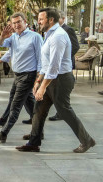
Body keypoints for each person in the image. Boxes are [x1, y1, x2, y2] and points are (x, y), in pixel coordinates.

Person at [16, 8, 96, 153]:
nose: (38, 22)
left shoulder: (58, 36)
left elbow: (54, 66)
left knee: (64, 111)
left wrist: (42, 87)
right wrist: (38, 81)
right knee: (38, 110)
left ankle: (87, 140)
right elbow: (46, 62)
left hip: (61, 79)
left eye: (41, 19)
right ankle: (33, 143)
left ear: (50, 20)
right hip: (50, 78)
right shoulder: (49, 34)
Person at [0, 12, 43, 143]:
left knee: (15, 105)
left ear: (25, 22)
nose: (16, 25)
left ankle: (3, 133)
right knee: (30, 106)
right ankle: (38, 133)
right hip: (17, 75)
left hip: (28, 75)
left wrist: (39, 78)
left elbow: (41, 58)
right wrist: (2, 36)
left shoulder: (35, 37)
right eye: (14, 23)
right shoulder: (12, 37)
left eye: (19, 22)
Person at [47, 10, 80, 122]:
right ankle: (60, 112)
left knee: (63, 89)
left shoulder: (68, 30)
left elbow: (76, 46)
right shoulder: (53, 31)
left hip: (65, 65)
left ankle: (61, 112)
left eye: (58, 18)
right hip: (56, 67)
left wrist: (64, 57)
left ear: (63, 19)